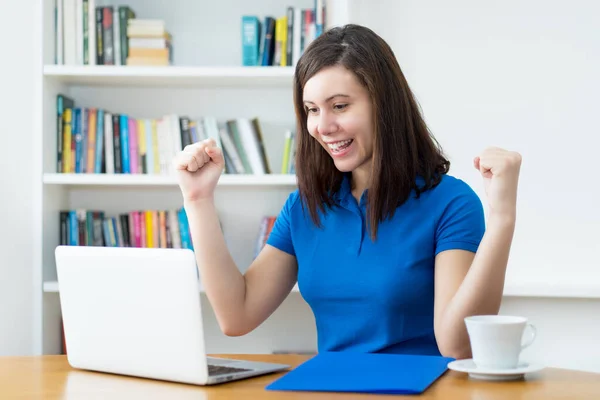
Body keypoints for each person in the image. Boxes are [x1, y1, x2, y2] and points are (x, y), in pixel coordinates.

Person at [173, 24, 522, 359]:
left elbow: (458, 345)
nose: (323, 126)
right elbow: (237, 315)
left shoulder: (450, 203)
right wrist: (198, 200)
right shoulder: (304, 208)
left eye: (340, 106)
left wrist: (503, 218)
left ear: (384, 105)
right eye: (312, 110)